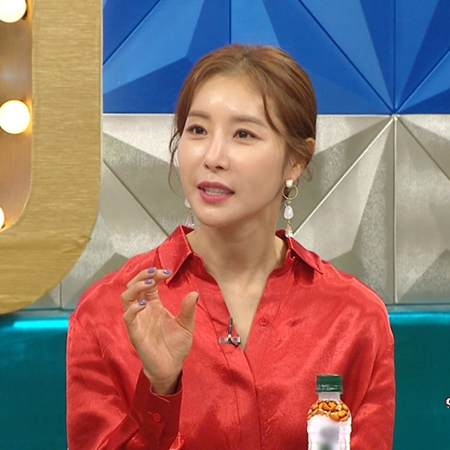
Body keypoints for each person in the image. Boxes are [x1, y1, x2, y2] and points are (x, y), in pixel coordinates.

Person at [67, 44, 395, 450]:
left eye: (243, 134)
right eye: (197, 130)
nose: (213, 157)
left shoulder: (354, 318)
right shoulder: (108, 314)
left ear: (296, 160)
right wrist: (160, 389)